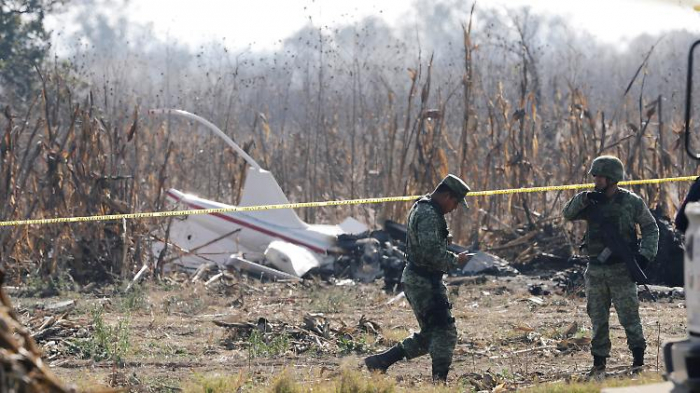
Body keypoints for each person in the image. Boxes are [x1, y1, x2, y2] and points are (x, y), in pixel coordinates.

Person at [364, 174, 473, 383]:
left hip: (421, 279)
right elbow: (430, 253)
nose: (455, 208)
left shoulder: (423, 207)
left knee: (432, 333)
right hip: (424, 282)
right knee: (445, 333)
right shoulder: (430, 215)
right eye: (456, 202)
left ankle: (381, 361)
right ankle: (439, 383)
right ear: (447, 196)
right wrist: (455, 259)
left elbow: (428, 245)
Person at [562, 156, 659, 377]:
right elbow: (567, 214)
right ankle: (599, 362)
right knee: (597, 317)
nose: (596, 180)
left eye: (600, 176)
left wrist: (645, 255)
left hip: (621, 269)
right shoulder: (590, 201)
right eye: (595, 176)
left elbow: (650, 227)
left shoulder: (631, 202)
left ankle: (638, 358)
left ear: (613, 178)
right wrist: (583, 199)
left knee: (629, 316)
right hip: (595, 269)